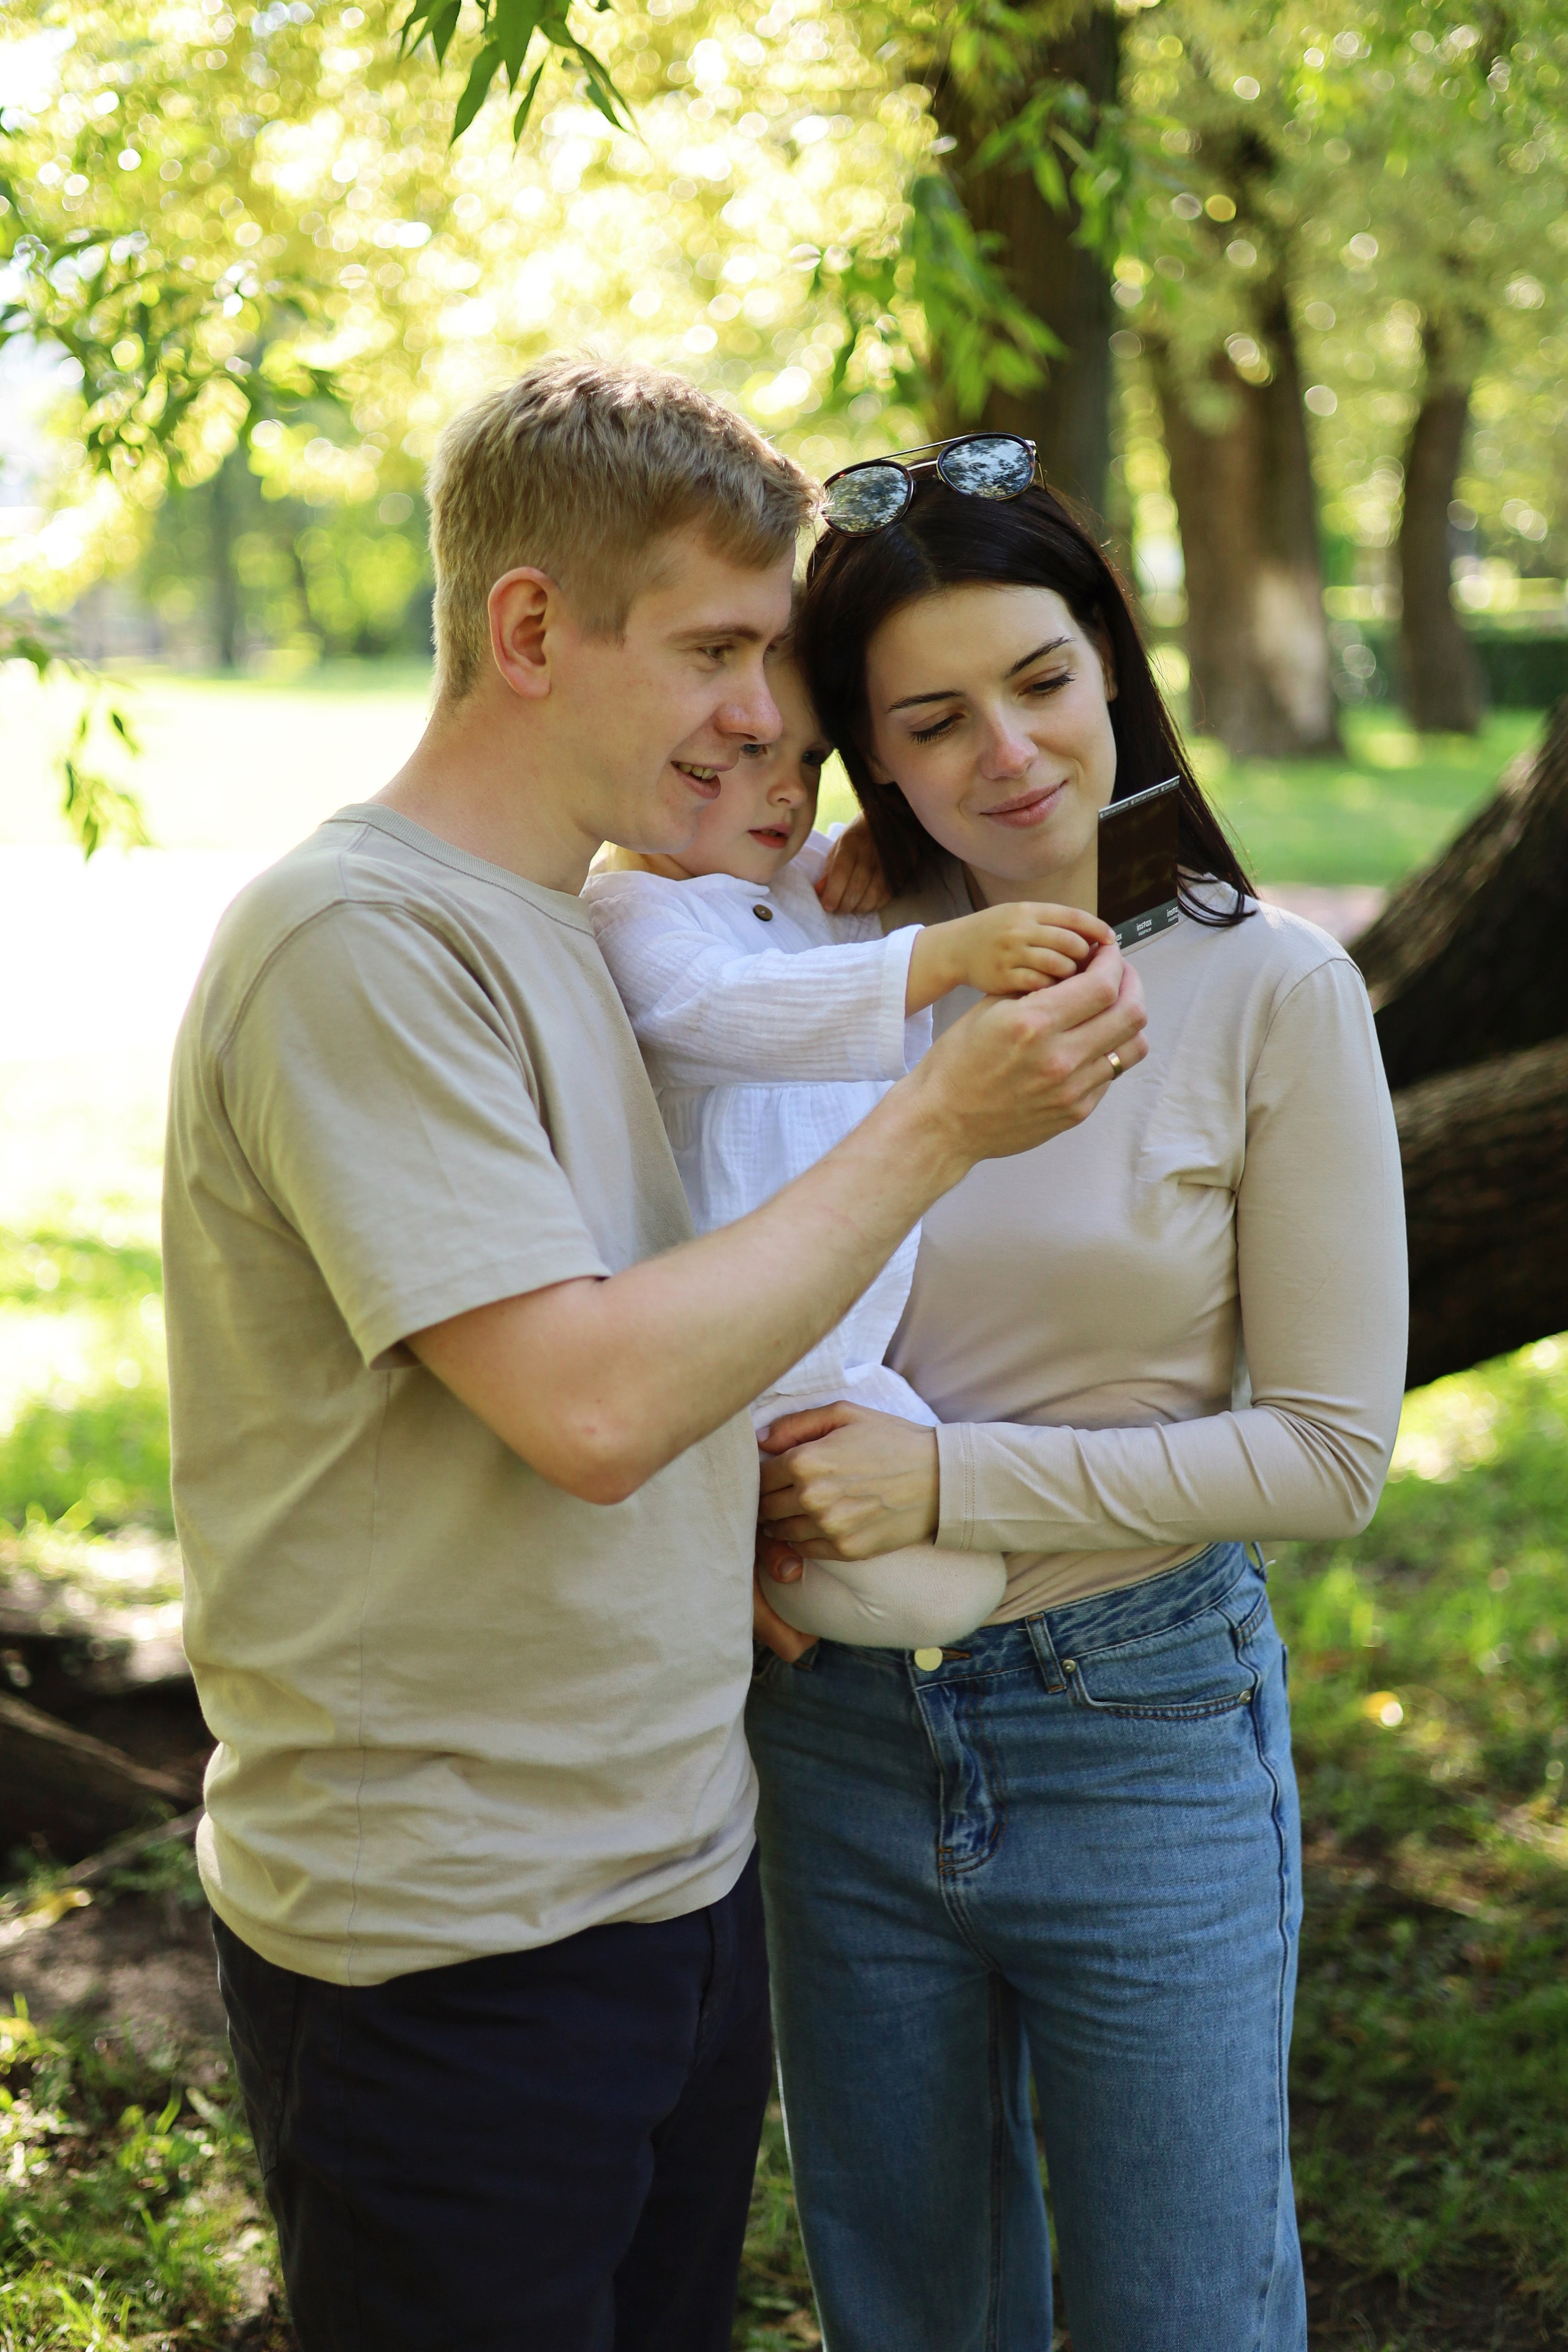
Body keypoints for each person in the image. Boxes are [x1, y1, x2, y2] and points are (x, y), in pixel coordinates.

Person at [160, 366, 1150, 2352]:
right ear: (531, 630)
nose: (766, 714)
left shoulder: (582, 925)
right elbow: (593, 1403)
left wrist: (750, 1528)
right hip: (450, 1949)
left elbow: (658, 1336)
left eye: (772, 654)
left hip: (671, 1883)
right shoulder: (360, 942)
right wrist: (941, 1117)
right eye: (715, 647)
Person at [746, 442, 1409, 2352]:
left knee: (1183, 2312)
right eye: (932, 721)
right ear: (871, 749)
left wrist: (946, 1484)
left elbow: (1330, 1453)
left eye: (1041, 680)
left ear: (1111, 659)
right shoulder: (819, 970)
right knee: (909, 2311)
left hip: (1140, 1721)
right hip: (838, 1736)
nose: (1010, 755)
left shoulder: (1268, 989)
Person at [584, 642, 1111, 1649]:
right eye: (747, 757)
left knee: (960, 1570)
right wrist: (936, 957)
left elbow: (923, 865)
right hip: (729, 1357)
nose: (785, 795)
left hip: (847, 1352)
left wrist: (881, 838)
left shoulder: (803, 873)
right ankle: (717, 1557)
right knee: (935, 1597)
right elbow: (728, 1010)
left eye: (812, 762)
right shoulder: (631, 911)